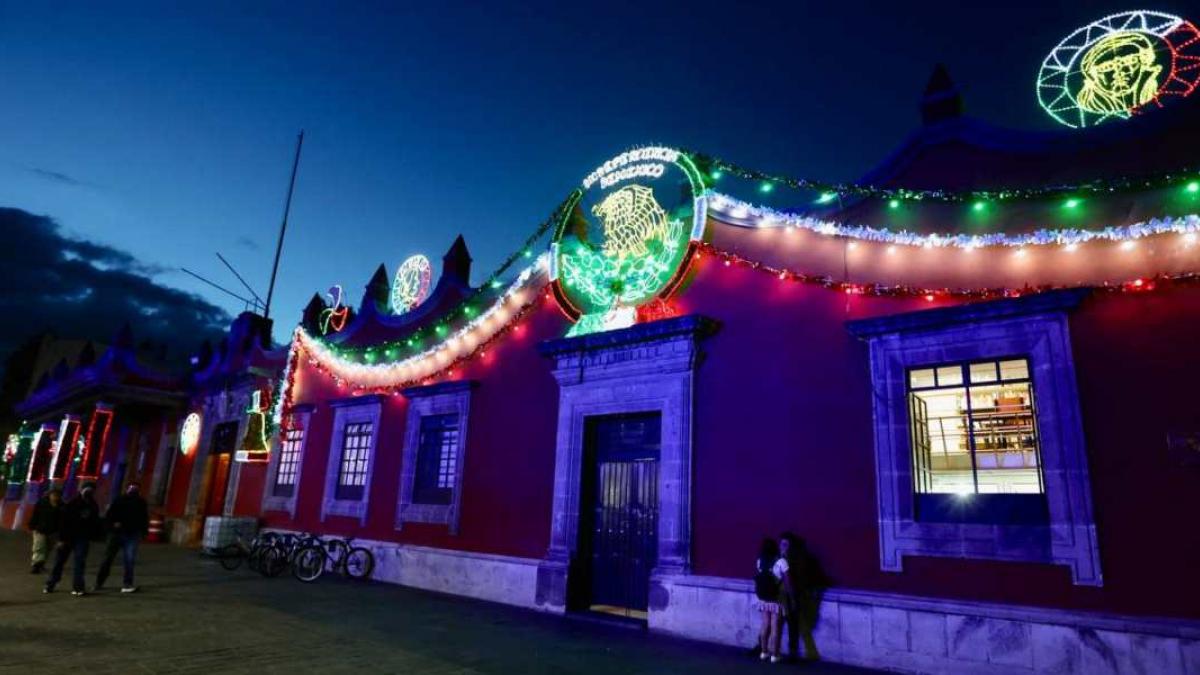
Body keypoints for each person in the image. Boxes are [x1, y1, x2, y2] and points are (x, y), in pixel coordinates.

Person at [45, 481, 103, 596]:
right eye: (87, 489)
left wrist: (94, 535)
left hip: (82, 537)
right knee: (59, 562)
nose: (88, 491)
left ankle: (78, 587)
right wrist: (61, 539)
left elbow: (94, 522)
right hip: (68, 537)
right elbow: (64, 522)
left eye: (91, 489)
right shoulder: (73, 503)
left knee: (79, 562)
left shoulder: (93, 505)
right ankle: (50, 584)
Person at [95, 481, 149, 592]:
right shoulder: (119, 500)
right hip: (117, 533)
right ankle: (99, 582)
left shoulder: (141, 502)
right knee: (108, 559)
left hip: (131, 534)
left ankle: (127, 584)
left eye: (135, 488)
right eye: (132, 488)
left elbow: (144, 518)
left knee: (129, 560)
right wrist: (112, 525)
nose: (133, 490)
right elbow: (110, 516)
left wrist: (143, 531)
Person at [753, 537, 789, 664]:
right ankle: (775, 655)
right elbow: (787, 581)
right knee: (775, 627)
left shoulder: (759, 561)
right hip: (775, 597)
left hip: (762, 597)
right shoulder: (781, 562)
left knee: (765, 624)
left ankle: (763, 652)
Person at [28, 487, 64, 573]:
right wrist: (32, 526)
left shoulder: (62, 506)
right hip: (40, 529)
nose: (55, 497)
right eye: (54, 495)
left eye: (57, 496)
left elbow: (62, 521)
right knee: (39, 547)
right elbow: (35, 515)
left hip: (53, 532)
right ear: (50, 495)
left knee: (47, 548)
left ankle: (41, 563)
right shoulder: (42, 503)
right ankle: (36, 565)